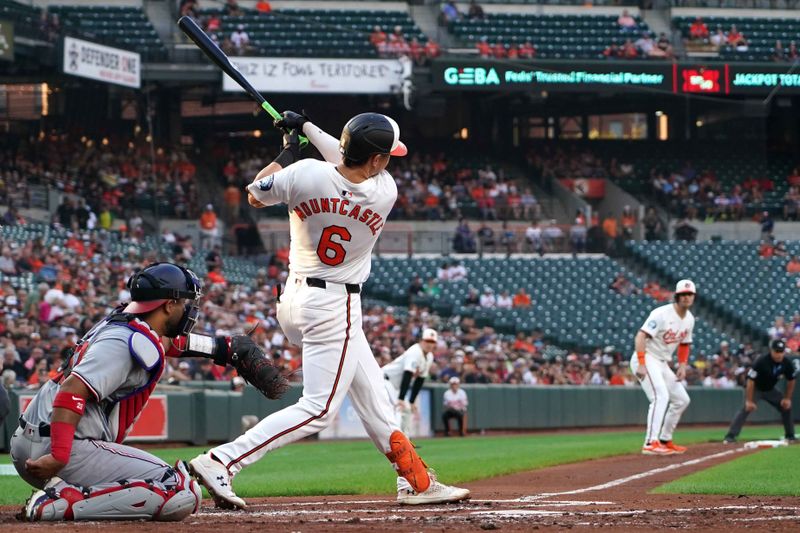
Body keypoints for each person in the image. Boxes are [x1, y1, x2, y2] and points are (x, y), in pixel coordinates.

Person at [187, 111, 470, 508]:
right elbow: (341, 156)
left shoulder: (305, 173)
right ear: (375, 160)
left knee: (375, 396)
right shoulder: (383, 191)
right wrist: (306, 129)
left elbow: (255, 191)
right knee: (318, 408)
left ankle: (416, 481)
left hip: (296, 299)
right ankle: (222, 460)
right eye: (386, 155)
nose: (389, 161)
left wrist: (289, 147)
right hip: (337, 303)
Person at [12, 263, 206, 522]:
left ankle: (66, 496)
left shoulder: (119, 323)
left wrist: (223, 350)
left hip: (35, 438)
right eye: (185, 302)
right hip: (61, 447)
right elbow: (73, 389)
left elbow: (167, 342)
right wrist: (59, 455)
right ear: (169, 304)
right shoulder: (126, 340)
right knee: (180, 490)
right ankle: (62, 504)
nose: (188, 310)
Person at [631, 279, 696, 456]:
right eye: (682, 294)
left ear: (694, 297)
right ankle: (650, 442)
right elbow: (640, 336)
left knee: (682, 399)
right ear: (677, 296)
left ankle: (665, 440)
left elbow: (684, 344)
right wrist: (642, 363)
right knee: (660, 396)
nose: (686, 297)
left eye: (689, 294)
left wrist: (682, 365)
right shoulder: (661, 314)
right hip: (647, 358)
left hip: (661, 362)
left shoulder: (689, 319)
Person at [724, 339, 797, 444]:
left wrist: (787, 398)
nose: (779, 354)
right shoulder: (762, 360)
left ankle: (790, 435)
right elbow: (750, 380)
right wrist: (749, 400)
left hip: (770, 390)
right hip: (755, 388)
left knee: (786, 406)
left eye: (781, 351)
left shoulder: (786, 363)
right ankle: (730, 436)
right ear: (771, 351)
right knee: (745, 408)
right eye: (777, 351)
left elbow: (791, 380)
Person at [382, 329, 437, 435]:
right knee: (399, 408)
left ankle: (405, 440)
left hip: (395, 385)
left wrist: (411, 401)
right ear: (421, 340)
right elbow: (407, 374)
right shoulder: (415, 351)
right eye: (427, 341)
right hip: (385, 379)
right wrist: (401, 398)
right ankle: (395, 440)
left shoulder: (429, 356)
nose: (429, 345)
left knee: (407, 409)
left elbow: (420, 380)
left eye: (432, 342)